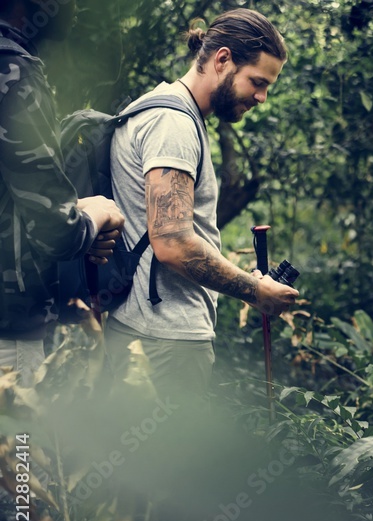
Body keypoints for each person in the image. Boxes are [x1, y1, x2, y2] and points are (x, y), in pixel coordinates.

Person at [104, 8, 297, 399]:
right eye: (257, 82)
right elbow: (173, 244)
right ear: (222, 59)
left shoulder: (170, 112)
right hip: (165, 340)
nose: (261, 97)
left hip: (148, 332)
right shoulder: (172, 124)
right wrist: (254, 291)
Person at [0, 0, 125, 388]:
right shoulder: (14, 72)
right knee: (21, 447)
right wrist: (98, 213)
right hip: (10, 329)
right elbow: (56, 232)